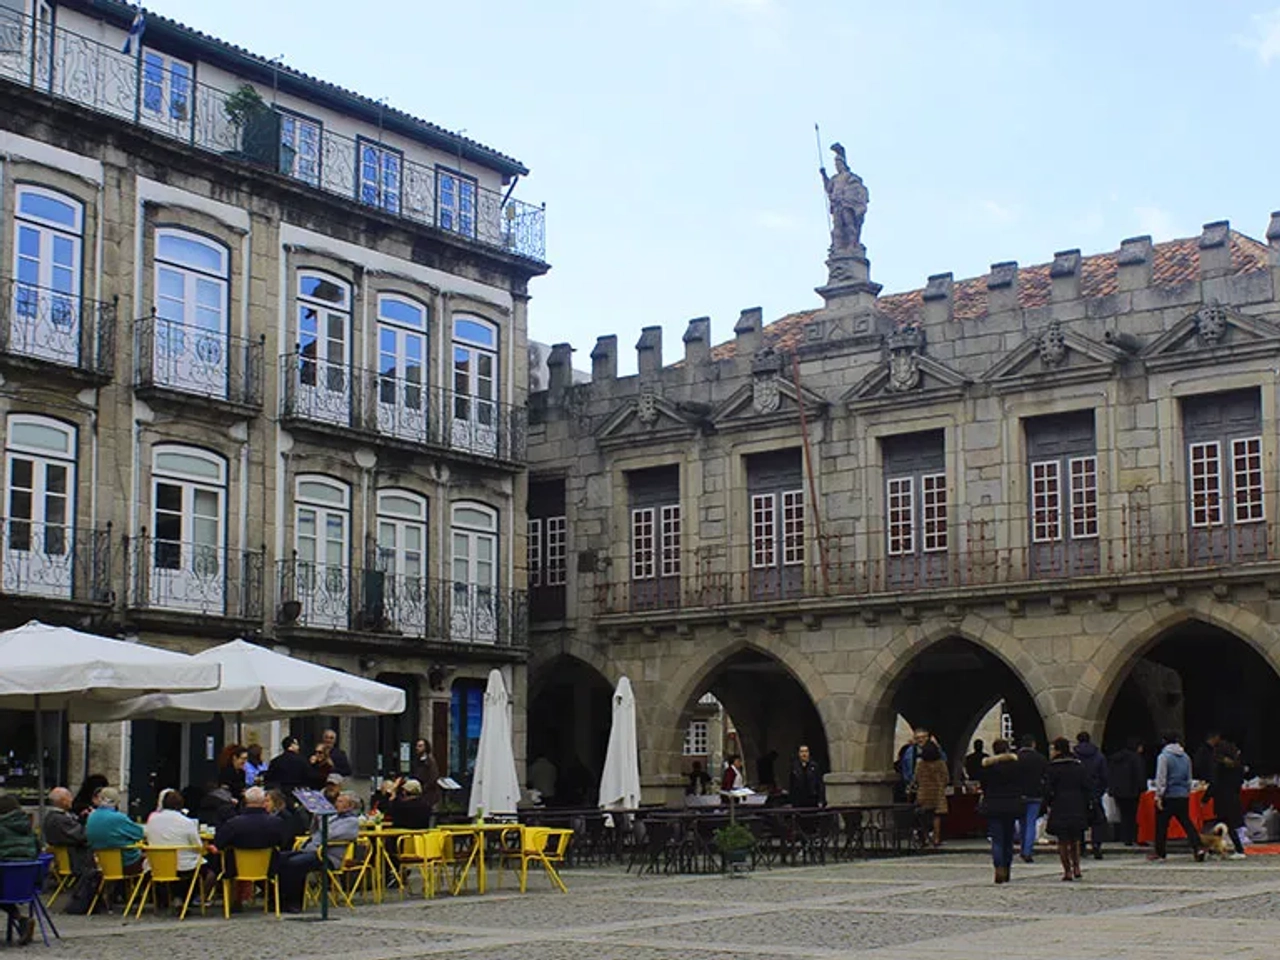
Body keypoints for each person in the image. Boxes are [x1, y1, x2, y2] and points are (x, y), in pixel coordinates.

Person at [275, 792, 360, 913]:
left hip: (328, 856)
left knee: (295, 864)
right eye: (337, 800)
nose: (336, 803)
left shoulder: (351, 822)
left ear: (350, 805)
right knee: (279, 858)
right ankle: (278, 898)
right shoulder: (333, 817)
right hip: (312, 850)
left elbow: (328, 835)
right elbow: (314, 831)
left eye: (340, 801)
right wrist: (315, 819)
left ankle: (295, 902)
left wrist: (321, 818)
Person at [212, 786, 293, 912]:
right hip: (268, 867)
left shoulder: (233, 824)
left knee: (217, 860)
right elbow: (283, 842)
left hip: (236, 868)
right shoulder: (276, 823)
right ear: (263, 801)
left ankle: (230, 901)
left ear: (245, 800)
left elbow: (219, 844)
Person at [1149, 732, 1205, 862]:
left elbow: (1161, 777)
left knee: (1161, 825)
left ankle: (1160, 852)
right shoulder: (1186, 757)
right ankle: (1198, 847)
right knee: (1186, 822)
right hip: (1182, 795)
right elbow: (1189, 777)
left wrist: (1159, 795)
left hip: (1169, 795)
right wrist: (1187, 791)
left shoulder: (1164, 756)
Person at [144, 790, 206, 907]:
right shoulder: (187, 822)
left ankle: (168, 899)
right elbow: (198, 846)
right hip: (182, 865)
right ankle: (188, 899)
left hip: (156, 865)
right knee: (204, 868)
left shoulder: (151, 820)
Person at [1042, 738, 1091, 881]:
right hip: (1077, 804)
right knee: (1075, 838)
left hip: (1060, 805)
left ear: (1057, 750)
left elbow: (1048, 789)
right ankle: (1077, 867)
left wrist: (1047, 803)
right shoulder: (1078, 766)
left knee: (1062, 841)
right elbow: (1086, 786)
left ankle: (1067, 870)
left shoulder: (1053, 768)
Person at [977, 738, 1022, 884]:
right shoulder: (1015, 766)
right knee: (1008, 840)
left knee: (997, 840)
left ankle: (998, 869)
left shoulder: (988, 767)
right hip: (1011, 804)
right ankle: (1007, 868)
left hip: (993, 804)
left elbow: (983, 785)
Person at [0, 793, 38, 944]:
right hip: (28, 885)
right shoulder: (28, 829)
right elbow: (39, 851)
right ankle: (21, 920)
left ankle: (21, 919)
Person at [820, 142, 869, 253]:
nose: (837, 166)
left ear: (843, 164)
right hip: (837, 204)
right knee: (838, 226)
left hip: (846, 203)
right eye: (836, 164)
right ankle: (838, 247)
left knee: (849, 223)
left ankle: (852, 245)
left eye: (839, 164)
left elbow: (856, 189)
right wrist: (824, 175)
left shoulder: (850, 176)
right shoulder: (835, 178)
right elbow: (828, 188)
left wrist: (845, 196)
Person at [85, 787, 145, 875]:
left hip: (103, 864)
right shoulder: (118, 818)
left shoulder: (91, 817)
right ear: (116, 801)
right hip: (126, 863)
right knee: (149, 858)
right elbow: (140, 834)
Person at [1207, 739, 1247, 859]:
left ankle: (1238, 849)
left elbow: (1215, 783)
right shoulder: (1238, 766)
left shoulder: (1220, 767)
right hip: (1233, 797)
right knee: (1226, 824)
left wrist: (1206, 797)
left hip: (1222, 798)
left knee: (1226, 824)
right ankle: (1216, 848)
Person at [1072, 732, 1108, 860]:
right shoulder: (1099, 756)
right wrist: (1100, 791)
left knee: (1079, 821)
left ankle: (1081, 847)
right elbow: (1104, 776)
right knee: (1097, 821)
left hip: (1078, 793)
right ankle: (1096, 845)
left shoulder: (1074, 757)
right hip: (1094, 792)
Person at [42, 786, 92, 876]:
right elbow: (82, 835)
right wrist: (91, 821)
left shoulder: (50, 817)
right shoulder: (60, 819)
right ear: (63, 801)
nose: (72, 800)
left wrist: (81, 819)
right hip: (74, 860)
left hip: (62, 860)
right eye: (69, 797)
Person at [1108, 737, 1147, 847]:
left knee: (1123, 814)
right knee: (1133, 815)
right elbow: (1140, 774)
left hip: (1118, 791)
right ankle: (1133, 837)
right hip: (1132, 791)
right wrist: (1143, 788)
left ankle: (1125, 837)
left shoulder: (1115, 758)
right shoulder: (1136, 758)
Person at [1015, 734, 1048, 864]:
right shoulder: (1040, 759)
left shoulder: (1016, 758)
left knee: (1022, 823)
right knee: (1031, 823)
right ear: (1033, 744)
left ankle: (1023, 848)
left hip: (1019, 794)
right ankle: (1027, 851)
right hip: (1035, 794)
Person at [913, 741, 949, 848]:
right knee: (936, 816)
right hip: (938, 792)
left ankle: (925, 838)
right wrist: (942, 785)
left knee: (924, 816)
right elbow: (946, 778)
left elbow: (916, 778)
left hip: (924, 792)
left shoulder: (920, 764)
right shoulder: (940, 764)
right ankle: (936, 838)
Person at [409, 740, 442, 811]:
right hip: (418, 791)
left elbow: (433, 776)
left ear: (425, 747)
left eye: (420, 746)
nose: (417, 748)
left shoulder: (430, 761)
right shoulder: (416, 760)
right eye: (417, 746)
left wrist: (424, 787)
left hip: (428, 793)